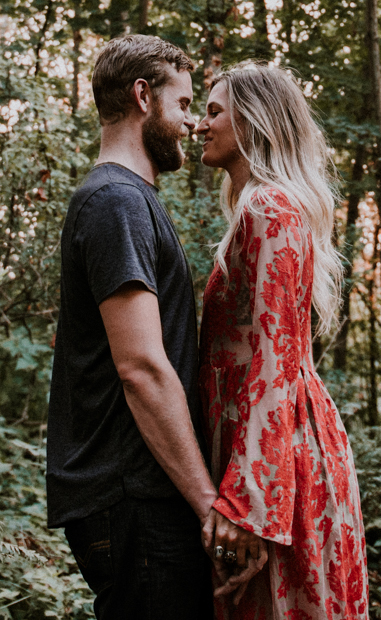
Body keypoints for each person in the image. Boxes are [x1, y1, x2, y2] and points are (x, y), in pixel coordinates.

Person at [47, 34, 266, 620]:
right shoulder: (115, 202)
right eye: (185, 104)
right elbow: (141, 367)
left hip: (144, 492)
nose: (193, 123)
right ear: (144, 96)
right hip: (133, 495)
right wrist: (209, 507)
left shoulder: (129, 200)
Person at [194, 62, 370, 620]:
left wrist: (250, 505)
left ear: (253, 122)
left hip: (275, 464)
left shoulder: (270, 209)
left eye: (214, 111)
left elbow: (276, 361)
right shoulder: (262, 209)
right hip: (273, 452)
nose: (201, 124)